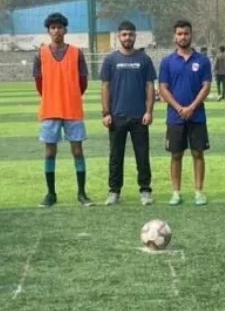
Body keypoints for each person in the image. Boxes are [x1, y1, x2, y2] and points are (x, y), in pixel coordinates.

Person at [33, 12, 91, 207]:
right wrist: (52, 97)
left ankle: (81, 193)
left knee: (78, 151)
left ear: (65, 30)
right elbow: (39, 83)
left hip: (72, 109)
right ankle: (51, 194)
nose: (56, 30)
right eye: (53, 27)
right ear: (48, 31)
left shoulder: (77, 53)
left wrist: (71, 96)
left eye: (60, 27)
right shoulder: (40, 54)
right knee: (50, 152)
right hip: (50, 110)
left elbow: (83, 81)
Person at [100, 20, 156, 206]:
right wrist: (106, 113)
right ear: (119, 36)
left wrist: (149, 111)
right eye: (124, 34)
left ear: (135, 36)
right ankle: (114, 191)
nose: (127, 38)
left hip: (139, 116)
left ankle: (145, 190)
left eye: (131, 34)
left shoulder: (144, 59)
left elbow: (149, 86)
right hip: (117, 116)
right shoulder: (110, 60)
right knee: (116, 156)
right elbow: (105, 87)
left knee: (142, 155)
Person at [159, 19, 213, 206]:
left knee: (198, 153)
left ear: (191, 35)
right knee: (176, 155)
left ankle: (199, 191)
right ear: (175, 36)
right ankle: (176, 192)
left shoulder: (202, 60)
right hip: (175, 117)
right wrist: (179, 108)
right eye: (180, 34)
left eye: (186, 33)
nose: (183, 37)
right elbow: (163, 88)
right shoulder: (167, 62)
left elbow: (206, 86)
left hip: (197, 116)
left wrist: (191, 107)